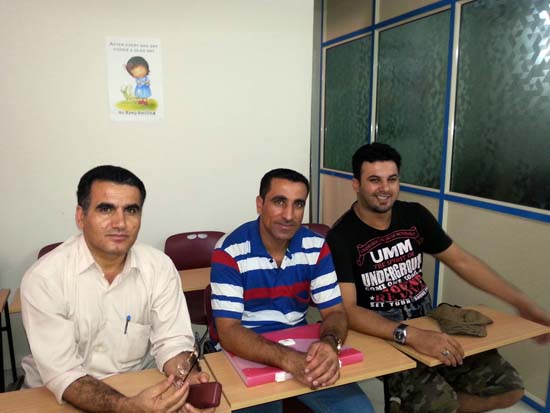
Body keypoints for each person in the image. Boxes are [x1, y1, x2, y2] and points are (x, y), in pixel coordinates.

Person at [327, 143, 550, 413]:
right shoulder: (341, 236)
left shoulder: (414, 215)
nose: (385, 188)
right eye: (374, 180)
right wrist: (412, 335)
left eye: (392, 179)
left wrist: (522, 303)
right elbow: (348, 310)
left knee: (509, 388)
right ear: (356, 184)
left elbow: (462, 262)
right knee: (440, 403)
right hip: (386, 337)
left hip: (430, 326)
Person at [21, 165, 215, 413]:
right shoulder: (45, 278)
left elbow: (173, 342)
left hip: (139, 389)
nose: (120, 223)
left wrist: (187, 378)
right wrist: (127, 407)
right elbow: (64, 374)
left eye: (131, 210)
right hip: (56, 398)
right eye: (106, 209)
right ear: (81, 216)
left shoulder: (159, 267)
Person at [210, 168, 374, 413]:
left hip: (299, 343)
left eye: (298, 204)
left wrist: (330, 342)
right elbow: (229, 332)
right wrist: (289, 360)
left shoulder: (316, 246)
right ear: (260, 204)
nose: (289, 215)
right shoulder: (230, 250)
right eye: (279, 202)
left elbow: (335, 312)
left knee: (360, 410)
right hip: (243, 348)